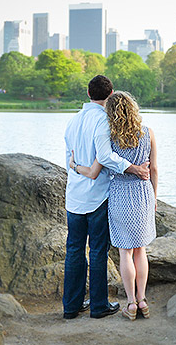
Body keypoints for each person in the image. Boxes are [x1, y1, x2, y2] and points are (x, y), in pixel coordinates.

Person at [62, 75, 150, 319]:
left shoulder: (73, 120)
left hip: (74, 196)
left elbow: (68, 159)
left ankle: (71, 306)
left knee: (74, 251)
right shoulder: (103, 121)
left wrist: (77, 168)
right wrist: (135, 169)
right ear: (110, 94)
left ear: (88, 95)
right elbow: (106, 156)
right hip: (97, 196)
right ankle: (98, 305)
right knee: (98, 251)